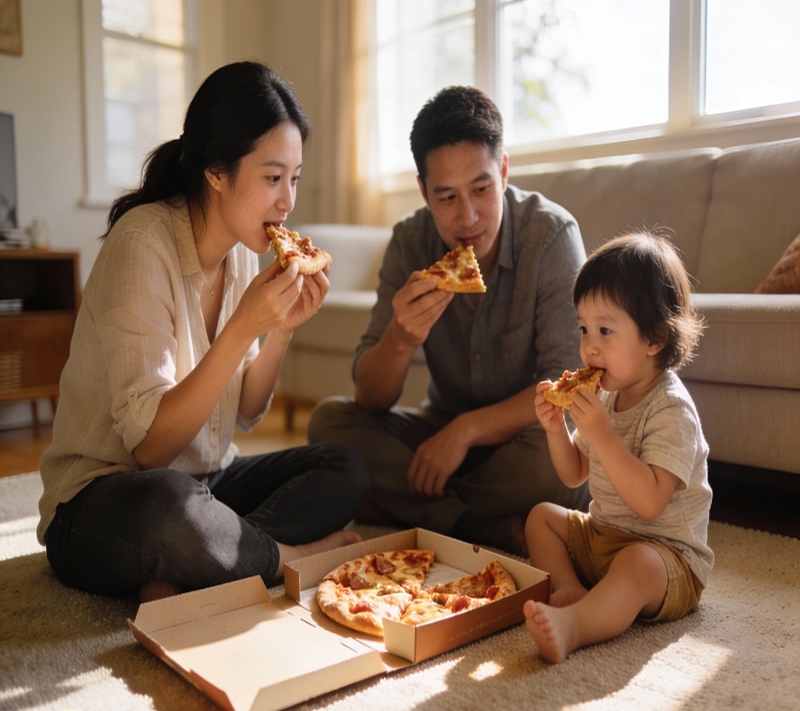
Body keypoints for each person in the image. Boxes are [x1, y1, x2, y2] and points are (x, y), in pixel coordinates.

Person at [37, 61, 368, 602]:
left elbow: (245, 411)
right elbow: (149, 451)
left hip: (205, 484)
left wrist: (280, 330)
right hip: (105, 500)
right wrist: (240, 329)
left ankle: (202, 559)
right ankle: (280, 558)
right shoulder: (140, 246)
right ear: (216, 172)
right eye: (271, 177)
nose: (287, 202)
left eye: (294, 178)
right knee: (168, 508)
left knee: (344, 467)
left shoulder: (241, 254)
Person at [308, 85, 588, 556]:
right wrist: (401, 337)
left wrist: (467, 432)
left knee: (557, 469)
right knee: (329, 423)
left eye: (481, 189)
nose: (468, 217)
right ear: (423, 191)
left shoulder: (552, 235)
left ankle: (414, 507)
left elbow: (569, 384)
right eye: (447, 197)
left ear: (503, 170)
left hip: (528, 436)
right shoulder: (408, 242)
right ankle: (484, 525)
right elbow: (369, 398)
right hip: (439, 426)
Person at [523, 231, 714, 663]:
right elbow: (574, 474)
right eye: (584, 328)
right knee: (542, 518)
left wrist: (604, 435)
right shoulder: (606, 396)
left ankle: (574, 626)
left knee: (638, 565)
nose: (589, 346)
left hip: (667, 559)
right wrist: (556, 429)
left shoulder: (672, 411)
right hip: (604, 537)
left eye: (605, 330)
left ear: (654, 339)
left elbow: (648, 503)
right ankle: (570, 588)